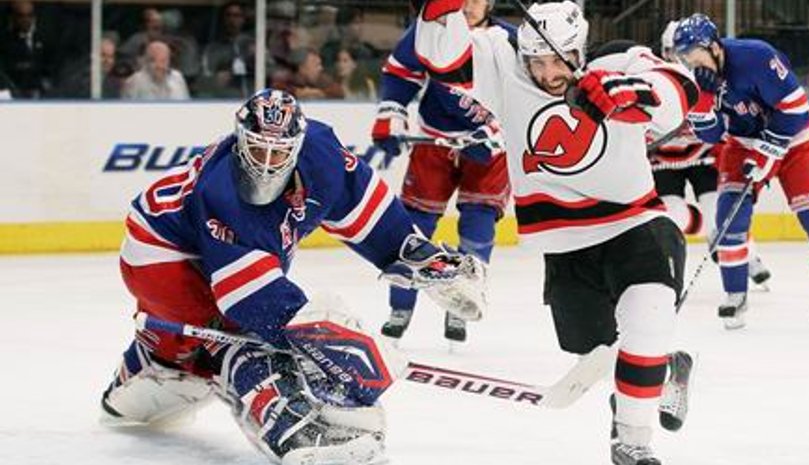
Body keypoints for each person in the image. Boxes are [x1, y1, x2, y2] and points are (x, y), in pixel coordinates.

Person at [99, 89, 486, 465]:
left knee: (224, 345)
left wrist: (418, 255)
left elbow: (369, 213)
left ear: (298, 146)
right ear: (240, 141)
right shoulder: (222, 194)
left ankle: (152, 364)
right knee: (243, 340)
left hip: (200, 249)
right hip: (162, 252)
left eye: (279, 152)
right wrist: (325, 340)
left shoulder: (323, 155)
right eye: (258, 150)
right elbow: (252, 301)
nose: (267, 164)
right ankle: (290, 428)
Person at [413, 1, 697, 463]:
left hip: (636, 223)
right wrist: (441, 6)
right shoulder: (504, 64)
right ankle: (663, 370)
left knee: (647, 322)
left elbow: (681, 90)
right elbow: (441, 57)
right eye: (537, 62)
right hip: (564, 245)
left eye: (557, 60)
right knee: (595, 352)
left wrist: (631, 93)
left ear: (580, 49)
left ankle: (632, 441)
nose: (547, 73)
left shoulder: (618, 60)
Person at [673, 13, 809, 333]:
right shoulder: (695, 81)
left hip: (799, 140)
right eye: (685, 57)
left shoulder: (756, 56)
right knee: (729, 219)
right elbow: (712, 135)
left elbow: (796, 109)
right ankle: (735, 297)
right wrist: (704, 100)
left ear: (714, 47)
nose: (691, 63)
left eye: (694, 53)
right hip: (743, 144)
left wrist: (768, 150)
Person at [372, 0, 510, 344]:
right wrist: (391, 115)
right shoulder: (432, 30)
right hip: (435, 140)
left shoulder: (509, 40)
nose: (469, 5)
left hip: (490, 146)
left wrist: (496, 135)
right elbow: (402, 73)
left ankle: (462, 302)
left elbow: (526, 98)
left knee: (478, 221)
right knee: (416, 223)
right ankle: (400, 306)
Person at [654, 21, 772, 288]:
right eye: (672, 51)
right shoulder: (655, 78)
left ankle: (748, 255)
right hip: (664, 161)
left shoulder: (707, 76)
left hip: (703, 155)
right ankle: (709, 232)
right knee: (673, 213)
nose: (679, 58)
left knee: (717, 209)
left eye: (684, 52)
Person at [0, 0, 56, 98]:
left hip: (40, 96)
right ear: (13, 17)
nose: (26, 20)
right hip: (14, 95)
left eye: (29, 15)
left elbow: (50, 69)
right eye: (21, 16)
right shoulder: (5, 43)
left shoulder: (42, 39)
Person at [201, 1, 254, 98]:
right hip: (225, 100)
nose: (232, 20)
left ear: (243, 19)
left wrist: (255, 58)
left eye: (236, 16)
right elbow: (203, 79)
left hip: (252, 97)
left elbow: (270, 71)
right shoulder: (213, 49)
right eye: (228, 15)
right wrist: (215, 80)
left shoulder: (253, 45)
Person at [122, 40, 190, 100]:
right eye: (154, 60)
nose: (160, 65)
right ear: (147, 61)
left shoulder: (178, 77)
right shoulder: (134, 81)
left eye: (163, 60)